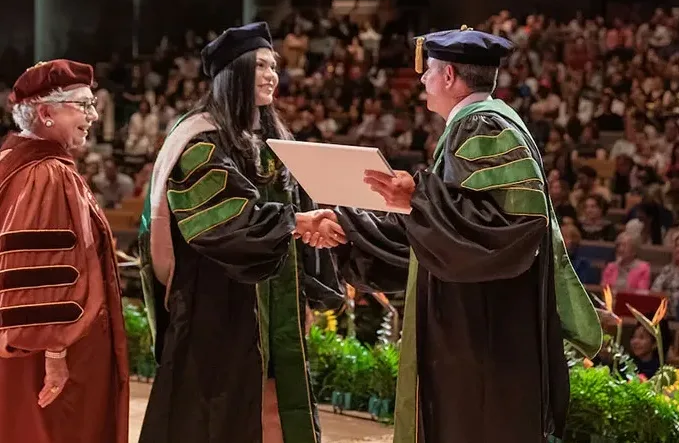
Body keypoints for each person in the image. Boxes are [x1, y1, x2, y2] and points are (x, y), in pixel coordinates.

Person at [306, 27, 602, 443]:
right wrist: (350, 227)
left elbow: (503, 230)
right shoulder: (476, 126)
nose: (422, 81)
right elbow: (441, 229)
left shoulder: (484, 127)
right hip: (477, 322)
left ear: (449, 76)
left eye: (428, 71)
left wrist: (419, 196)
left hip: (482, 328)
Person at [137, 22, 346, 443]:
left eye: (274, 66)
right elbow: (219, 224)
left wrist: (308, 265)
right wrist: (295, 224)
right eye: (261, 66)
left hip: (275, 296)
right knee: (220, 409)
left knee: (275, 400)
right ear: (234, 73)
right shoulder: (200, 141)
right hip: (219, 302)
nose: (273, 75)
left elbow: (299, 207)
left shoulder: (269, 139)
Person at [0, 60, 129, 443]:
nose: (92, 116)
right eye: (82, 105)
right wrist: (54, 354)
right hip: (55, 349)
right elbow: (43, 266)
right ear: (45, 112)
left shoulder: (14, 160)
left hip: (27, 344)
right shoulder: (47, 174)